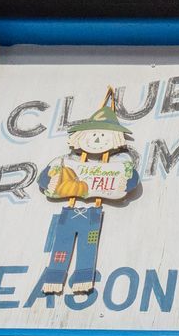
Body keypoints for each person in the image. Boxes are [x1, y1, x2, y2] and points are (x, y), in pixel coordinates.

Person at [36, 89, 141, 295]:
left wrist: (124, 179)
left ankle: (83, 280)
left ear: (114, 140)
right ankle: (54, 279)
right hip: (69, 212)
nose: (96, 140)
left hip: (93, 214)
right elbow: (46, 178)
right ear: (81, 137)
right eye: (93, 134)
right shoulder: (65, 163)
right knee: (61, 246)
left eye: (102, 135)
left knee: (87, 248)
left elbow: (129, 182)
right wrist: (55, 176)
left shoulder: (118, 166)